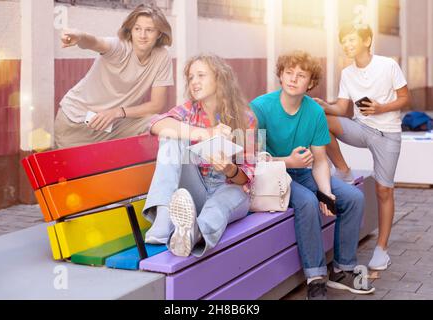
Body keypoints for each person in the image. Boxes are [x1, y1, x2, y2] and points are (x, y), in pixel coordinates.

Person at [250, 51, 375, 300]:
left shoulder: (315, 112)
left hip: (303, 172)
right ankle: (316, 277)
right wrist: (288, 161)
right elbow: (252, 159)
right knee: (307, 201)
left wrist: (327, 193)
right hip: (269, 175)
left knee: (353, 198)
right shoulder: (260, 107)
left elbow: (319, 162)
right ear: (280, 75)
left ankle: (342, 270)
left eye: (301, 75)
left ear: (310, 82)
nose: (293, 79)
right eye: (289, 73)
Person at [315, 24, 410, 271]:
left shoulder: (387, 65)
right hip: (361, 128)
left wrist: (381, 108)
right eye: (343, 41)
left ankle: (381, 249)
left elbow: (405, 98)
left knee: (383, 191)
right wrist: (325, 105)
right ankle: (343, 169)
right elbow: (342, 109)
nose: (347, 45)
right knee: (322, 120)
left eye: (351, 40)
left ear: (367, 41)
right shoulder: (347, 73)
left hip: (387, 134)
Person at [142, 54, 256, 258]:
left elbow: (247, 176)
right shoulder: (188, 111)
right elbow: (155, 124)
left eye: (201, 75)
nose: (194, 82)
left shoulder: (246, 118)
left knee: (219, 204)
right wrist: (207, 133)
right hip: (194, 190)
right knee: (170, 136)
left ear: (219, 78)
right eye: (191, 77)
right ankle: (164, 217)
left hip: (228, 188)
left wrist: (230, 169)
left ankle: (192, 235)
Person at [54, 3, 174, 149]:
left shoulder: (162, 56)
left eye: (149, 30)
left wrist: (118, 112)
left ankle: (203, 136)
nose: (142, 35)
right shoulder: (119, 47)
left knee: (154, 122)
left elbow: (156, 105)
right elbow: (97, 42)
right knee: (73, 171)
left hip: (114, 123)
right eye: (137, 29)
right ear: (131, 30)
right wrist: (80, 36)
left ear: (159, 33)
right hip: (75, 122)